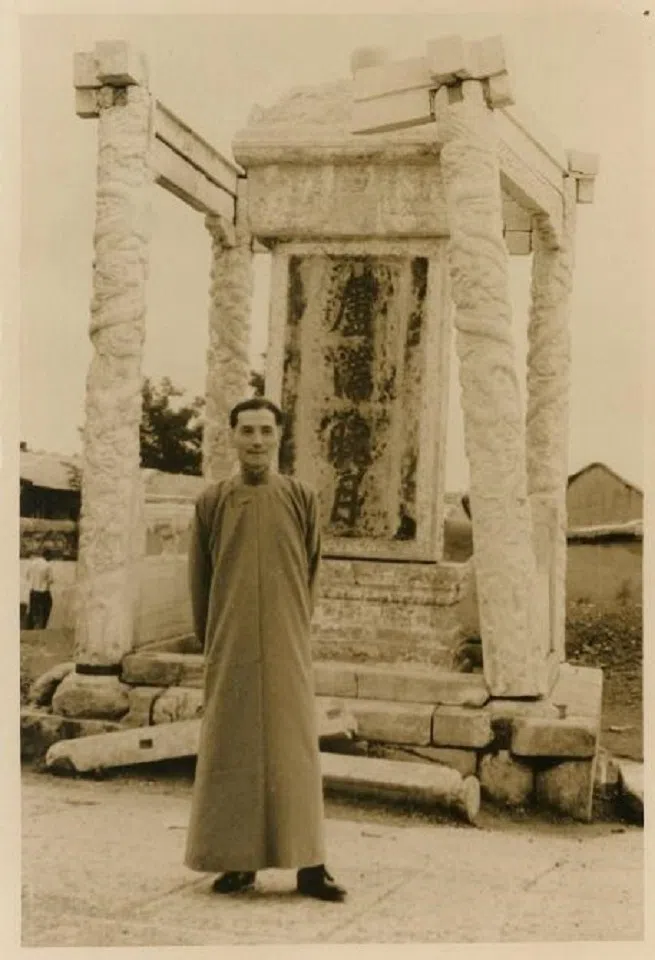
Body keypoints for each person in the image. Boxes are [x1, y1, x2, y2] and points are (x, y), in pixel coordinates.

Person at [185, 397, 346, 902]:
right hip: (229, 641)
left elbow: (312, 568)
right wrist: (211, 639)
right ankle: (237, 863)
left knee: (294, 746)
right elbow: (199, 578)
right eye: (247, 431)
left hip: (286, 639)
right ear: (231, 437)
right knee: (232, 747)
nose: (256, 440)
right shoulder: (213, 502)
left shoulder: (301, 497)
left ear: (279, 437)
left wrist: (296, 625)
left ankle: (310, 866)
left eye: (265, 431)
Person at [26, 549, 54, 630]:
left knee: (32, 611)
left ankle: (30, 630)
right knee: (45, 611)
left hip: (33, 591)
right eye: (51, 557)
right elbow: (51, 580)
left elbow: (27, 576)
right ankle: (42, 629)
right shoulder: (47, 565)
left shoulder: (33, 563)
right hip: (43, 592)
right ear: (47, 555)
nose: (51, 559)